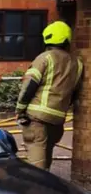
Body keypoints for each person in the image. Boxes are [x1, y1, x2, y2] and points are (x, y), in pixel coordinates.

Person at [16, 20, 83, 171]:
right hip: (57, 119)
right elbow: (74, 93)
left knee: (36, 166)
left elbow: (30, 86)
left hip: (36, 118)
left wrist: (20, 109)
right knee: (47, 159)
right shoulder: (77, 63)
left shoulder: (45, 58)